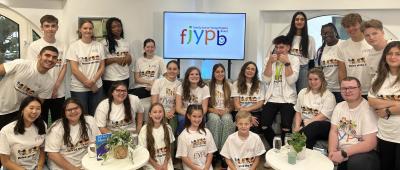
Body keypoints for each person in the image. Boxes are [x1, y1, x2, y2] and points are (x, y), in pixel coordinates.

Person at [0, 46, 57, 132]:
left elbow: (38, 103)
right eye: (47, 55)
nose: (50, 59)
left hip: (17, 113)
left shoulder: (49, 82)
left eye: (54, 57)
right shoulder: (22, 64)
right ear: (39, 56)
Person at [328, 77, 379, 170]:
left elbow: (370, 143)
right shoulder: (339, 106)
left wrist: (343, 153)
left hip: (361, 152)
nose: (348, 91)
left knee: (356, 163)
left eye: (352, 88)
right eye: (344, 88)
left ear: (360, 90)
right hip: (342, 152)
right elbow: (333, 131)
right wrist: (332, 151)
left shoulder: (367, 110)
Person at [26, 15, 66, 124]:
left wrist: (56, 86)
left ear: (57, 28)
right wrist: (42, 88)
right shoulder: (34, 46)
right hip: (40, 91)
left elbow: (64, 66)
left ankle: (56, 141)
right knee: (40, 121)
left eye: (53, 26)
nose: (50, 29)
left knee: (58, 122)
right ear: (41, 28)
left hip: (58, 92)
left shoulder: (63, 45)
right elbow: (32, 69)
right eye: (47, 26)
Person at [262, 35, 300, 147]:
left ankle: (284, 151)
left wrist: (287, 63)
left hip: (288, 98)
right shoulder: (269, 59)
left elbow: (292, 80)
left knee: (286, 127)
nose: (278, 50)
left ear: (288, 47)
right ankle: (276, 148)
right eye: (277, 47)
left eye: (281, 47)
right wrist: (269, 62)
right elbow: (266, 79)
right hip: (272, 97)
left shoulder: (294, 59)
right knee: (264, 126)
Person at [368, 41, 400, 170]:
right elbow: (371, 101)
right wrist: (396, 104)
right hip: (385, 134)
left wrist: (387, 110)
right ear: (384, 57)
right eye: (389, 54)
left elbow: (377, 102)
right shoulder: (378, 77)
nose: (393, 57)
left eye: (398, 54)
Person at [45, 98, 100, 170]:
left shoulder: (90, 120)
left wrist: (94, 160)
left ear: (81, 109)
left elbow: (95, 142)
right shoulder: (57, 128)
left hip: (85, 162)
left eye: (76, 108)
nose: (73, 111)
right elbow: (52, 154)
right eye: (69, 110)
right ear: (64, 112)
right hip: (63, 166)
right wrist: (73, 169)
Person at [67, 19, 105, 115]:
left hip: (97, 86)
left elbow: (102, 67)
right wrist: (90, 84)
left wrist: (93, 81)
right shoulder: (74, 46)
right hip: (79, 88)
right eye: (85, 28)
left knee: (96, 114)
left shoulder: (99, 46)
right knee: (81, 115)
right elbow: (74, 70)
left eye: (90, 28)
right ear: (80, 30)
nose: (88, 30)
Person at [293, 68, 336, 149]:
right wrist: (297, 127)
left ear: (322, 80)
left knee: (314, 126)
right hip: (307, 127)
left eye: (316, 79)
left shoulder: (328, 96)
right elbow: (298, 112)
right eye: (310, 79)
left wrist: (305, 125)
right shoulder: (302, 92)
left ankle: (294, 145)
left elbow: (323, 116)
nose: (312, 82)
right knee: (309, 135)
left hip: (323, 125)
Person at [0, 97, 46, 170]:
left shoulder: (42, 125)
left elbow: (42, 148)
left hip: (36, 167)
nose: (34, 111)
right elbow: (5, 161)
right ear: (22, 110)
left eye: (38, 108)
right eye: (31, 108)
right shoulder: (6, 131)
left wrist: (40, 166)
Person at [337, 13, 373, 98]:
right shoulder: (342, 46)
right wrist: (344, 90)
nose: (351, 28)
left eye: (354, 25)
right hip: (352, 91)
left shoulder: (371, 43)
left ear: (361, 25)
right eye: (348, 26)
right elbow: (342, 71)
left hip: (371, 90)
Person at [207, 63, 235, 167]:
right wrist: (213, 110)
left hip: (226, 112)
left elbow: (233, 106)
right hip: (212, 112)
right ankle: (214, 152)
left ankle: (224, 153)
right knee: (215, 120)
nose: (220, 74)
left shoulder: (230, 85)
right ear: (213, 73)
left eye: (222, 71)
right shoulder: (208, 85)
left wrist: (227, 110)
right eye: (217, 72)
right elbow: (205, 105)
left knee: (227, 120)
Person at [131, 38, 166, 122]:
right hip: (141, 87)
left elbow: (166, 76)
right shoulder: (139, 60)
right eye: (148, 47)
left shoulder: (159, 60)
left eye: (152, 47)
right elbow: (137, 79)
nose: (150, 49)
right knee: (129, 95)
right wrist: (150, 82)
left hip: (153, 88)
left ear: (154, 48)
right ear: (144, 48)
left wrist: (154, 86)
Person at [176, 104, 217, 170]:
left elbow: (210, 152)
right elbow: (184, 157)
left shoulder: (207, 132)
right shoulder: (183, 136)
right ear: (188, 116)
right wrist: (197, 169)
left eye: (199, 116)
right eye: (194, 116)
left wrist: (206, 167)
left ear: (202, 116)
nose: (197, 119)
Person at [232, 61, 266, 134]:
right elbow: (236, 104)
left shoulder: (260, 84)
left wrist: (248, 113)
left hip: (255, 112)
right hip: (240, 111)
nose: (250, 71)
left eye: (253, 69)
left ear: (255, 72)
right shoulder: (236, 84)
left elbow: (260, 103)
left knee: (254, 126)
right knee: (242, 126)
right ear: (244, 70)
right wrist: (248, 116)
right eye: (248, 68)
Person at [286, 11, 316, 92]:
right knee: (289, 93)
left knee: (302, 94)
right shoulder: (287, 38)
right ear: (293, 22)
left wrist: (311, 77)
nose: (299, 21)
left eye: (302, 20)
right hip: (289, 68)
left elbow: (311, 61)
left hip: (303, 70)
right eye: (297, 19)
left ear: (305, 22)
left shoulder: (310, 39)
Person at [139, 103, 175, 170]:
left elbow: (169, 150)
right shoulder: (144, 130)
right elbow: (144, 152)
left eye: (160, 112)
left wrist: (165, 164)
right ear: (150, 114)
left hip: (165, 162)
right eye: (155, 112)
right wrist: (156, 166)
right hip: (151, 163)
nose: (157, 114)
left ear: (163, 114)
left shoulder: (167, 127)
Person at [101, 17, 133, 93]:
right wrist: (115, 59)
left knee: (123, 101)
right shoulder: (104, 43)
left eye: (119, 26)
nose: (117, 28)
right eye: (113, 27)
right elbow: (101, 63)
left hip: (125, 77)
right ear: (109, 29)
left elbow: (129, 63)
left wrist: (129, 58)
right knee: (111, 102)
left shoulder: (126, 42)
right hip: (110, 79)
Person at [175, 67, 210, 135]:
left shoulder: (205, 88)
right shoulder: (181, 87)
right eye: (192, 74)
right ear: (187, 76)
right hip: (184, 113)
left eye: (197, 74)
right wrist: (190, 116)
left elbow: (204, 109)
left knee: (201, 120)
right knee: (184, 120)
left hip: (199, 114)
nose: (194, 76)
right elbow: (178, 108)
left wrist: (196, 116)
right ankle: (181, 138)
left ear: (200, 76)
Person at [151, 60, 181, 134]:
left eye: (174, 69)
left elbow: (178, 103)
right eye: (169, 69)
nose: (172, 71)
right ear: (166, 70)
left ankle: (171, 145)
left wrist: (172, 112)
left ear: (178, 71)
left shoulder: (180, 84)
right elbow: (154, 103)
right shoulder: (158, 82)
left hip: (172, 113)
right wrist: (163, 113)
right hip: (158, 111)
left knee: (171, 128)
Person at [317, 23, 344, 102]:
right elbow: (319, 70)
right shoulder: (320, 50)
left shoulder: (344, 44)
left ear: (335, 32)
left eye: (330, 32)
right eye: (324, 33)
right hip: (327, 89)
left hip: (342, 89)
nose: (327, 35)